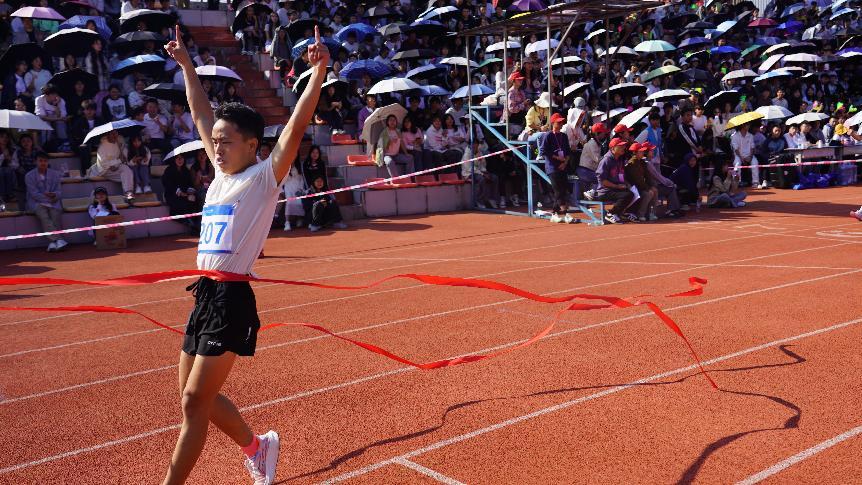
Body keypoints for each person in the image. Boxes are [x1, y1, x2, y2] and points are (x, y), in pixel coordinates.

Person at [161, 24, 328, 485]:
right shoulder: (220, 176)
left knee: (194, 402)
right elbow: (199, 111)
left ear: (253, 146)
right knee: (193, 396)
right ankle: (259, 448)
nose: (216, 148)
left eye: (226, 141)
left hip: (232, 300)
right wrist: (187, 65)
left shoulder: (262, 179)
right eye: (214, 141)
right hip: (204, 296)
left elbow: (295, 127)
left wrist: (318, 74)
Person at [25, 151, 68, 251]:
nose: (43, 163)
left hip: (53, 201)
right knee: (43, 216)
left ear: (48, 162)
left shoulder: (55, 174)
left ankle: (53, 242)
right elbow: (34, 194)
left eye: (45, 161)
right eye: (40, 161)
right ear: (35, 162)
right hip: (36, 202)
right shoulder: (29, 176)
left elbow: (59, 191)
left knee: (55, 215)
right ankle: (59, 239)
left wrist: (54, 195)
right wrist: (48, 200)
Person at [541, 112, 575, 223]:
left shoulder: (564, 136)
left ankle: (554, 213)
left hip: (563, 166)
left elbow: (568, 152)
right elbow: (543, 151)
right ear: (553, 123)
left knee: (563, 190)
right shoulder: (548, 135)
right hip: (552, 167)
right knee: (558, 190)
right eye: (558, 122)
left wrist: (565, 162)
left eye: (561, 122)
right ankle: (565, 213)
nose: (561, 124)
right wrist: (557, 158)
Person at [595, 137, 635, 224]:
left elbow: (621, 176)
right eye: (620, 146)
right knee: (627, 195)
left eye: (623, 146)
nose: (623, 148)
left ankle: (621, 213)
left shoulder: (619, 159)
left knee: (633, 193)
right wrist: (617, 186)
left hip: (615, 189)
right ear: (613, 148)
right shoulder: (606, 160)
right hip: (605, 191)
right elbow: (603, 181)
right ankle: (611, 214)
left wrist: (626, 184)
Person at [88, 130, 135, 199]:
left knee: (127, 170)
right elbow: (103, 164)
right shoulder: (102, 147)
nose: (114, 135)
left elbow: (126, 158)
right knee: (126, 172)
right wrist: (118, 161)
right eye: (112, 134)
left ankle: (128, 193)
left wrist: (122, 150)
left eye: (116, 133)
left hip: (116, 169)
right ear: (108, 135)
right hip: (104, 171)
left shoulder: (119, 143)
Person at [624, 143, 657, 222]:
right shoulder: (631, 164)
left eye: (643, 151)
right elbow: (637, 180)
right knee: (648, 193)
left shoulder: (642, 162)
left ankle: (651, 213)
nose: (643, 153)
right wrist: (647, 188)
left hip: (640, 186)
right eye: (640, 151)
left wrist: (651, 186)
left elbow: (647, 176)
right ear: (635, 152)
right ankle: (640, 214)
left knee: (654, 190)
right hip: (634, 188)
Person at [578, 122, 609, 198]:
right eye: (603, 132)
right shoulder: (592, 143)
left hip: (589, 171)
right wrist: (608, 156)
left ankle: (592, 193)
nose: (604, 134)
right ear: (597, 133)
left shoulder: (597, 143)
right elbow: (597, 159)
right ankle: (592, 192)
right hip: (585, 171)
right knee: (604, 179)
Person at [731, 122, 762, 188]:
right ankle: (737, 182)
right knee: (737, 164)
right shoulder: (735, 136)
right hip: (738, 156)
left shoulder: (750, 136)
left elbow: (752, 147)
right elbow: (736, 149)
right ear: (742, 125)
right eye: (747, 124)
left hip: (749, 155)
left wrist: (750, 157)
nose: (749, 126)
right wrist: (741, 158)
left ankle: (755, 182)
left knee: (755, 162)